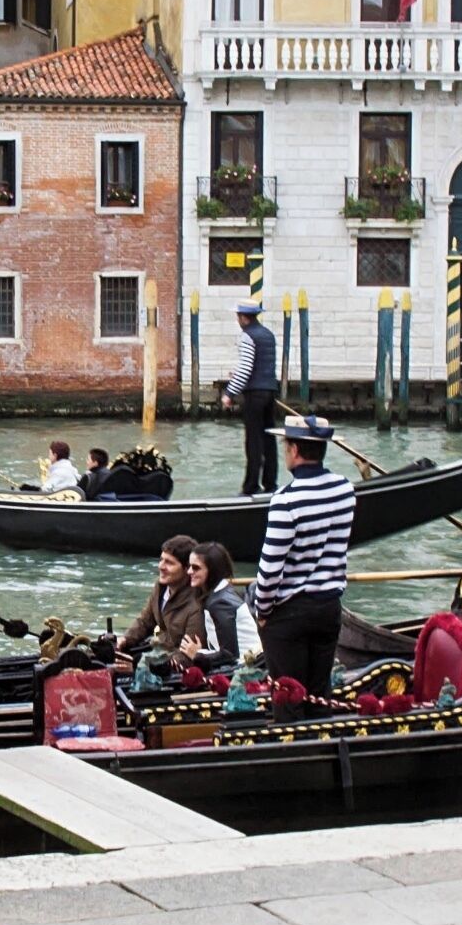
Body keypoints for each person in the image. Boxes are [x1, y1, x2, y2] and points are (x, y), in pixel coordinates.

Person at [248, 416, 356, 717]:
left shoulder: (286, 500)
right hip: (329, 608)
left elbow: (270, 567)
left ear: (294, 449)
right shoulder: (344, 490)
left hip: (289, 614)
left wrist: (263, 612)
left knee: (288, 700)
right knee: (319, 696)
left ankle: (292, 759)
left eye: (286, 446)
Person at [220, 300, 281, 496]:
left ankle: (251, 486)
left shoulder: (247, 336)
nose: (237, 319)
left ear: (244, 317)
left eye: (238, 316)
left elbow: (246, 369)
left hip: (255, 396)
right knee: (269, 440)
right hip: (270, 392)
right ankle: (270, 484)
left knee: (253, 441)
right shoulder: (268, 335)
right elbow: (260, 367)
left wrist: (229, 393)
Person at [118, 537, 201, 662]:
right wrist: (125, 639)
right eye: (161, 560)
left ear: (186, 569)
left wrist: (140, 666)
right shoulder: (160, 588)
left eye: (169, 563)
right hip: (158, 650)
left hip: (171, 661)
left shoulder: (196, 604)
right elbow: (145, 622)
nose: (161, 566)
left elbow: (187, 654)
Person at [179, 540, 249, 673]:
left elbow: (230, 655)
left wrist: (197, 654)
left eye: (196, 567)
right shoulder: (221, 594)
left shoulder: (220, 603)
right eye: (189, 566)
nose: (189, 571)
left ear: (212, 571)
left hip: (243, 668)